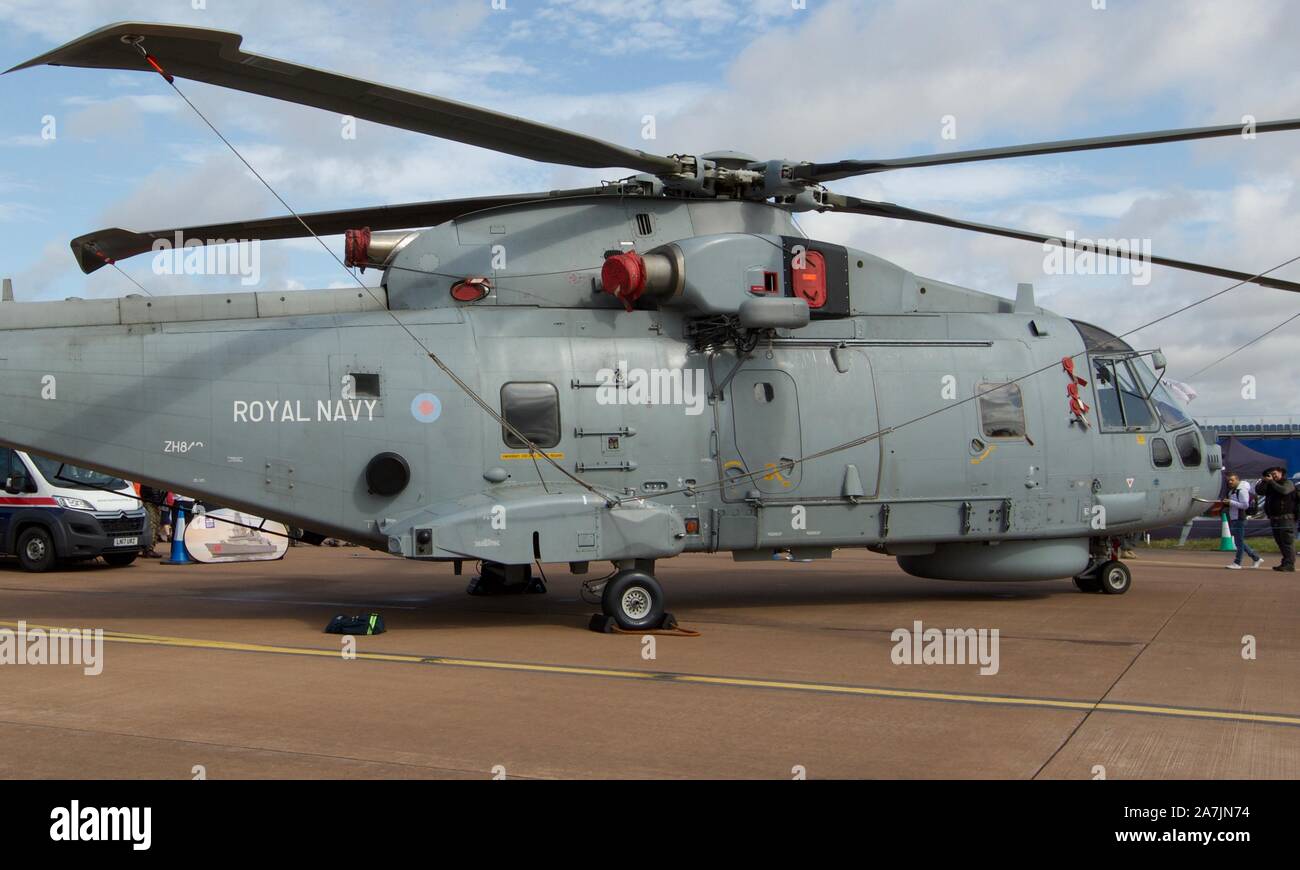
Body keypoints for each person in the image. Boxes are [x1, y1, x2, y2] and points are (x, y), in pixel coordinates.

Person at [1255, 466, 1297, 572]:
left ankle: (1290, 564)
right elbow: (1259, 491)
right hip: (1274, 518)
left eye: (1274, 473)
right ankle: (1285, 562)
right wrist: (1265, 481)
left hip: (1286, 518)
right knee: (1280, 541)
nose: (1273, 476)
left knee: (1287, 541)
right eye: (1270, 474)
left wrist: (1272, 482)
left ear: (1281, 473)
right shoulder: (1270, 485)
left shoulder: (1287, 483)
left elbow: (1284, 491)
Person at [1223, 472, 1263, 569]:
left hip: (1239, 518)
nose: (1230, 482)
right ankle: (1256, 558)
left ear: (1237, 479)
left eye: (1232, 480)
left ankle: (1237, 563)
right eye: (1228, 480)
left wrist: (1231, 502)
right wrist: (1227, 503)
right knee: (1239, 541)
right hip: (1234, 518)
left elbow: (1245, 505)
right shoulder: (1232, 490)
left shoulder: (1241, 490)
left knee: (1238, 542)